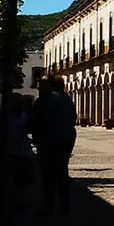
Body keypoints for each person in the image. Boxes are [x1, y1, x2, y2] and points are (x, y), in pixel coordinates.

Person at [32, 75, 78, 217]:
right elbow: (73, 118)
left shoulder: (44, 100)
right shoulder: (67, 98)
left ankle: (48, 206)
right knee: (62, 172)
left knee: (47, 174)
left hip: (48, 140)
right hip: (66, 139)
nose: (39, 87)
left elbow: (34, 119)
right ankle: (64, 206)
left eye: (41, 85)